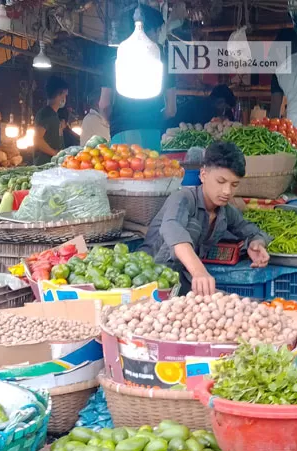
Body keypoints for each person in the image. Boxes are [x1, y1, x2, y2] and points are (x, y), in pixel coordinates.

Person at [140, 141, 271, 295]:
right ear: (203, 175)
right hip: (147, 281)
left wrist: (256, 244)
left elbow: (253, 231)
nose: (227, 191)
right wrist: (199, 272)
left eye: (234, 184)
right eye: (221, 182)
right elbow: (173, 231)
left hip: (182, 283)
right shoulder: (183, 198)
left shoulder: (225, 211)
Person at [99, 5, 176, 138]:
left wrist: (116, 121)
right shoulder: (165, 63)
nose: (158, 36)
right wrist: (153, 119)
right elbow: (171, 110)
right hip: (152, 131)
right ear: (152, 31)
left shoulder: (116, 60)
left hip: (120, 132)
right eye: (158, 31)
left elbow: (104, 105)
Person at [34, 76, 69, 165]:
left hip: (52, 165)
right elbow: (37, 140)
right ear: (59, 95)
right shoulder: (46, 114)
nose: (65, 98)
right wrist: (56, 154)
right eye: (65, 95)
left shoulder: (53, 114)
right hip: (45, 165)